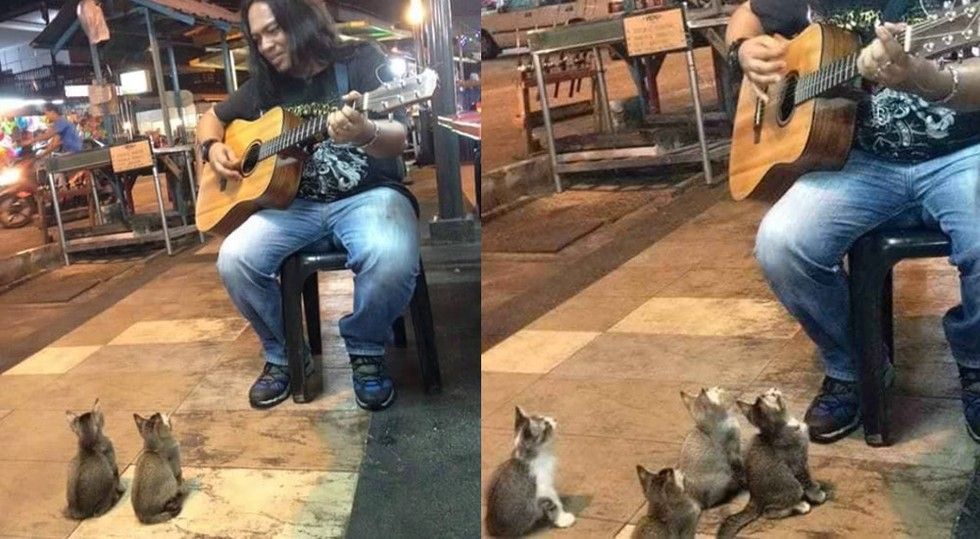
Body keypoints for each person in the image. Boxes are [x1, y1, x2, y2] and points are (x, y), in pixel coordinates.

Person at [726, 0, 980, 443]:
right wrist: (745, 50)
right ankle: (854, 365)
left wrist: (927, 77)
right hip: (860, 164)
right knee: (781, 243)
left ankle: (977, 363)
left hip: (963, 153)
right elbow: (745, 15)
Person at [197, 0, 417, 411]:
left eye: (273, 30)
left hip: (368, 195)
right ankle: (285, 355)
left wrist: (365, 130)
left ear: (300, 19)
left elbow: (398, 137)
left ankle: (366, 348)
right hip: (293, 206)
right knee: (234, 259)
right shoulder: (266, 85)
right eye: (257, 37)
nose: (265, 45)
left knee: (388, 252)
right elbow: (211, 117)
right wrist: (211, 148)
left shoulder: (359, 59)